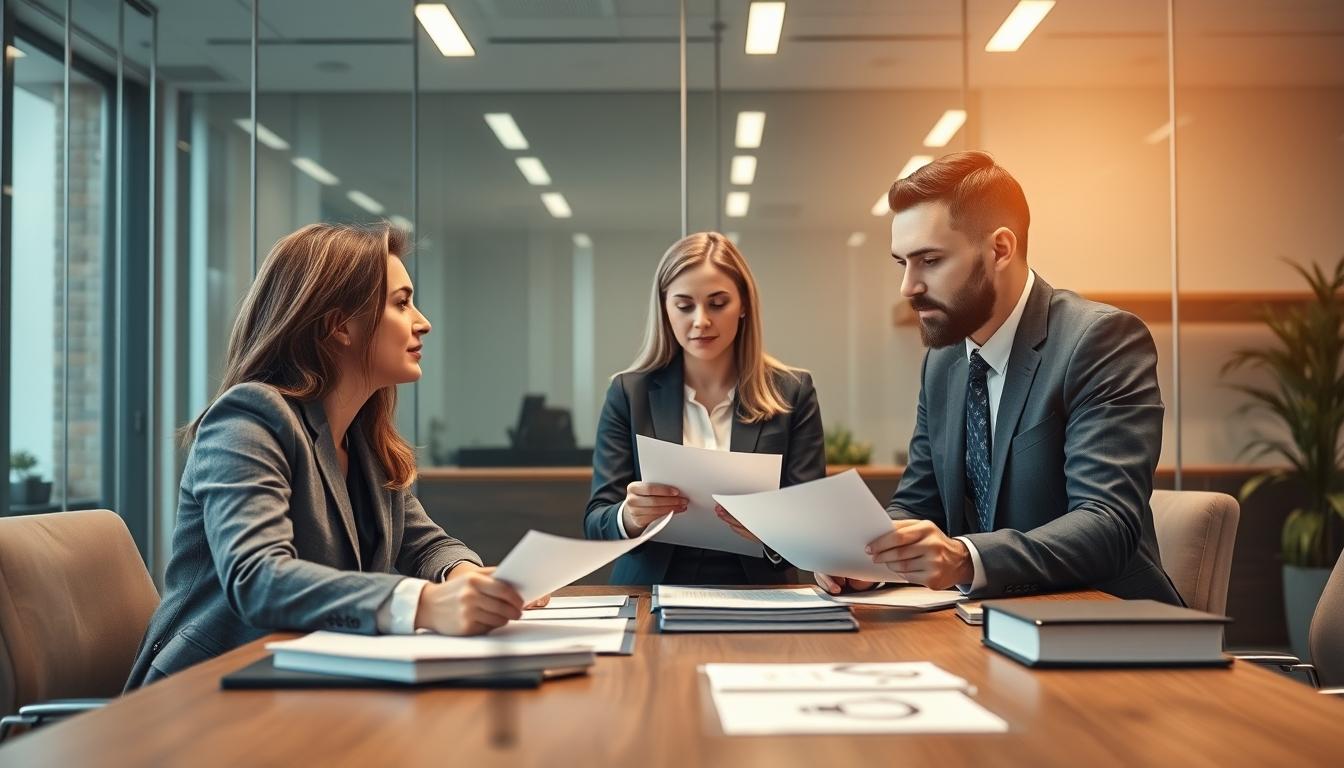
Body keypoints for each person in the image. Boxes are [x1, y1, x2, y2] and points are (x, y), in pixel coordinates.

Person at [127, 222, 544, 688]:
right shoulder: (249, 418)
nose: (422, 322)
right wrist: (423, 604)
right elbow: (258, 578)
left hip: (306, 682)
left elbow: (425, 545)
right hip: (204, 692)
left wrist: (465, 578)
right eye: (401, 303)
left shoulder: (361, 438)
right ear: (340, 325)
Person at [816, 151, 1181, 604]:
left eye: (929, 260)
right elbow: (920, 503)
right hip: (990, 620)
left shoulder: (1100, 340)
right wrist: (866, 559)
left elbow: (1106, 523)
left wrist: (965, 558)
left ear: (1000, 249)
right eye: (902, 263)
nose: (908, 286)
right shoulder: (943, 363)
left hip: (1108, 620)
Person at [584, 232, 825, 585]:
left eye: (717, 303)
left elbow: (813, 523)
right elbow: (596, 522)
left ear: (743, 305)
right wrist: (630, 516)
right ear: (665, 309)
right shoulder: (628, 393)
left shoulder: (792, 391)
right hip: (651, 590)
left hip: (760, 589)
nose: (701, 321)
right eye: (684, 306)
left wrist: (771, 532)